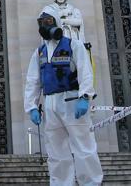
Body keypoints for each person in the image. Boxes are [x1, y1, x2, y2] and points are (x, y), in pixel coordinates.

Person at [25, 10, 103, 186]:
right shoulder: (40, 52)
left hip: (72, 101)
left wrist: (85, 96)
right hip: (50, 104)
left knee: (84, 147)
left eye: (48, 21)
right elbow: (33, 81)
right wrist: (31, 106)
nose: (45, 25)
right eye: (42, 22)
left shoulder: (73, 45)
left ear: (57, 22)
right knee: (56, 152)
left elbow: (85, 72)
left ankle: (91, 183)